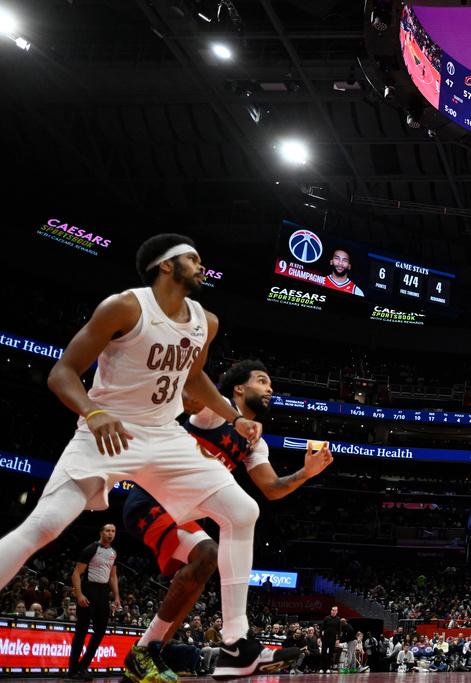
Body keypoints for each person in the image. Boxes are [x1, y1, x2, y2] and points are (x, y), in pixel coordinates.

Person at [0, 234, 280, 683]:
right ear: (165, 266)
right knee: (45, 526)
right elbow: (61, 373)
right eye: (193, 258)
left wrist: (233, 417)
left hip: (164, 436)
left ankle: (234, 642)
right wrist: (93, 412)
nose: (201, 266)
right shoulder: (124, 307)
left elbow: (194, 376)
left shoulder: (205, 321)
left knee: (242, 510)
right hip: (107, 431)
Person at [122, 359, 321, 677]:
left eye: (271, 384)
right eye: (261, 381)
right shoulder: (219, 408)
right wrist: (188, 392)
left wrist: (305, 473)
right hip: (154, 499)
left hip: (186, 505)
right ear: (239, 388)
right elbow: (195, 396)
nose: (270, 388)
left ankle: (147, 651)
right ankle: (236, 644)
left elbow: (271, 487)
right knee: (238, 517)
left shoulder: (256, 441)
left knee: (207, 558)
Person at [67, 524, 120, 681]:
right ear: (101, 532)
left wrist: (116, 596)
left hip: (103, 592)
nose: (111, 533)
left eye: (113, 531)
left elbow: (113, 576)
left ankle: (83, 666)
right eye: (108, 531)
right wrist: (79, 595)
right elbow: (76, 573)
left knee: (101, 631)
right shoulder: (91, 549)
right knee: (81, 632)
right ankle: (72, 670)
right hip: (89, 589)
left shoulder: (113, 552)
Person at [320, 606, 341, 673]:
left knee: (331, 654)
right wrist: (319, 637)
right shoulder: (327, 618)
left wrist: (338, 639)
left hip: (333, 638)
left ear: (337, 611)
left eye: (335, 610)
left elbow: (339, 630)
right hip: (325, 638)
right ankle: (322, 668)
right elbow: (322, 628)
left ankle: (328, 668)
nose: (334, 611)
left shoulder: (338, 619)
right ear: (331, 611)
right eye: (333, 610)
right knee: (324, 653)